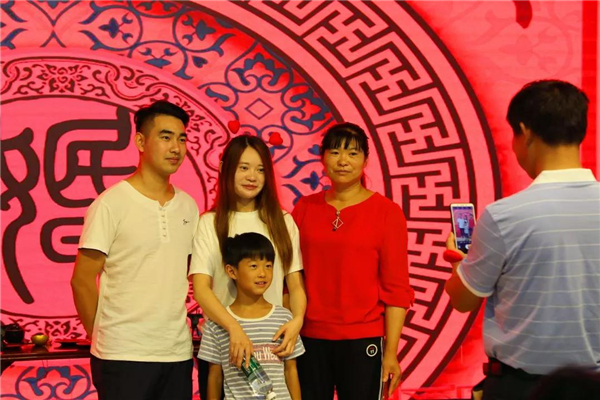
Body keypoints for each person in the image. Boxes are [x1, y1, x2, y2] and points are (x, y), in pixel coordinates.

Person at [444, 80, 600, 400]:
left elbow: (464, 300)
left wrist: (459, 266)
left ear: (525, 132)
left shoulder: (504, 216)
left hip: (521, 388)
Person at [70, 100, 198, 399]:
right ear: (141, 141)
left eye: (182, 139)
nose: (176, 148)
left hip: (176, 352)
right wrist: (103, 337)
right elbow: (82, 280)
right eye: (165, 137)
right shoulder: (111, 203)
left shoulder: (188, 205)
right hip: (122, 356)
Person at [292, 122, 414, 400]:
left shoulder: (387, 212)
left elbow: (396, 289)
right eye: (335, 152)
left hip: (363, 339)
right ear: (322, 157)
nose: (343, 161)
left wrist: (391, 352)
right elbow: (291, 278)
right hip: (309, 337)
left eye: (352, 153)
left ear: (366, 160)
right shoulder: (304, 208)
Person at [190, 135, 307, 399]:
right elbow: (201, 289)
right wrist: (234, 329)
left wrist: (297, 321)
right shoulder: (209, 223)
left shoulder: (283, 221)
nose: (252, 176)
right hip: (224, 347)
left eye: (260, 169)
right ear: (226, 169)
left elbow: (295, 284)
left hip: (271, 347)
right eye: (243, 167)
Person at [198, 232, 305, 400]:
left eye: (268, 265)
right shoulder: (217, 324)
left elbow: (290, 370)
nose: (263, 273)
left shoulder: (284, 318)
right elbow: (215, 377)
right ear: (232, 271)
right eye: (254, 266)